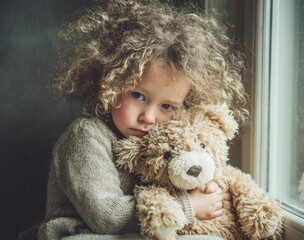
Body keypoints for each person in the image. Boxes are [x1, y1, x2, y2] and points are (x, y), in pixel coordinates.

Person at [24, 0, 248, 239]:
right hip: (80, 234)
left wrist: (209, 191)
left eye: (167, 106)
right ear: (110, 82)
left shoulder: (162, 146)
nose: (149, 117)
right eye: (138, 95)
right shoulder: (85, 137)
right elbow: (107, 218)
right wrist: (188, 207)